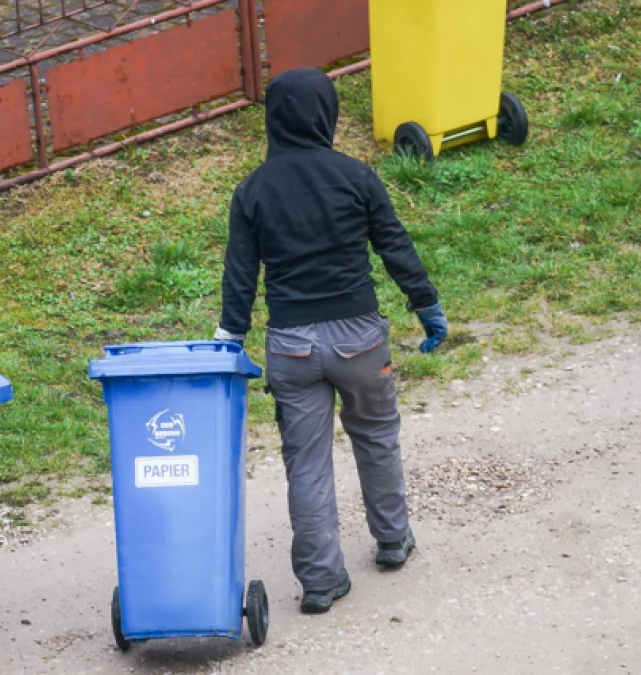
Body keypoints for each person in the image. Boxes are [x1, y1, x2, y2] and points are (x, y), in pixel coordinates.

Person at [212, 67, 449, 615]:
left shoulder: (252, 190)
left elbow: (240, 275)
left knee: (307, 463)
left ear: (273, 119)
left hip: (291, 346)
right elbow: (394, 245)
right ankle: (392, 540)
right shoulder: (355, 176)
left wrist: (228, 339)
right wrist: (426, 305)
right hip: (359, 340)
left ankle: (321, 581)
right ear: (328, 114)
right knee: (376, 437)